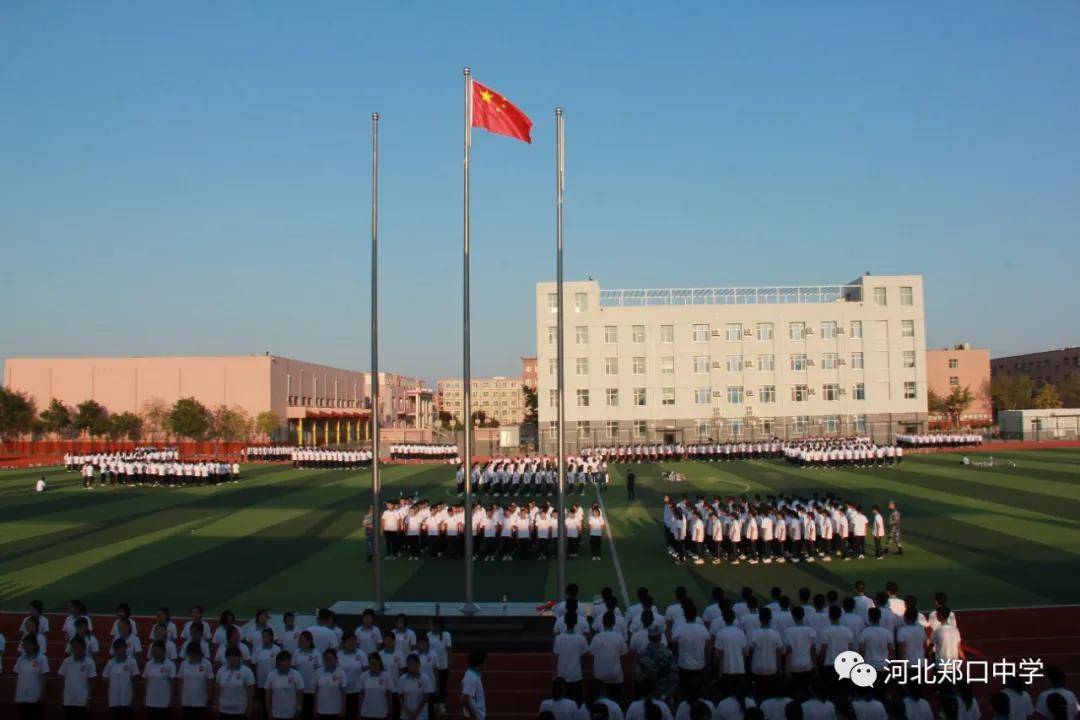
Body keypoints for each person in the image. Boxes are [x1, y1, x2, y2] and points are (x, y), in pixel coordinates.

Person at [589, 612, 629, 701]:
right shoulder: (619, 637)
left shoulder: (597, 637)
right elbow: (624, 654)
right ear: (614, 623)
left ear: (603, 622)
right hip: (615, 676)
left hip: (599, 675)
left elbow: (591, 654)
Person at [59, 635, 97, 720]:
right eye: (73, 646)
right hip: (68, 701)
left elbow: (92, 681)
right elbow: (62, 678)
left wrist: (90, 698)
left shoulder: (89, 662)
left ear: (83, 647)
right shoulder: (66, 661)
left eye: (77, 646)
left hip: (82, 701)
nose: (74, 649)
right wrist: (62, 697)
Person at [554, 613, 590, 703]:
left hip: (562, 674)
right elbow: (584, 658)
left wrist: (554, 673)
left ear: (565, 622)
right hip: (576, 675)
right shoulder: (581, 638)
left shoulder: (558, 639)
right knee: (576, 702)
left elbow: (555, 657)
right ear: (576, 622)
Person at [215, 645, 256, 720]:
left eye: (234, 656)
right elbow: (217, 690)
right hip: (223, 709)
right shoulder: (221, 671)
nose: (232, 659)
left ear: (239, 657)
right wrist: (217, 706)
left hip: (240, 711)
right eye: (229, 657)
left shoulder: (247, 671)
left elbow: (250, 692)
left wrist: (249, 707)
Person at [104, 637, 140, 720]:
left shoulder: (132, 662)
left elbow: (135, 681)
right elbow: (106, 681)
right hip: (113, 701)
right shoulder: (110, 663)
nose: (119, 651)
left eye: (121, 648)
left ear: (125, 648)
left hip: (127, 700)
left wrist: (134, 698)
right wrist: (107, 700)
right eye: (116, 648)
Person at [14, 635, 49, 720]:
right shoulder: (21, 659)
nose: (24, 646)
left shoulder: (42, 658)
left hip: (35, 696)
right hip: (22, 695)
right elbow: (17, 675)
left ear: (33, 644)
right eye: (23, 644)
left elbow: (44, 676)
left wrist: (42, 693)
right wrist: (16, 692)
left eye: (26, 644)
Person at [144, 640, 179, 720]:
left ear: (163, 651)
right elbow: (146, 682)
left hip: (165, 702)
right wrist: (145, 698)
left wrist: (172, 698)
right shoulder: (149, 664)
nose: (155, 653)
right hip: (151, 701)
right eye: (153, 651)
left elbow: (172, 683)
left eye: (157, 651)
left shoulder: (170, 664)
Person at [267, 652, 306, 720]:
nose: (286, 663)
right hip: (276, 713)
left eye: (288, 661)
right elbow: (268, 694)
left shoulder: (295, 674)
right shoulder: (271, 675)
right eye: (284, 661)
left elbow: (300, 692)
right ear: (278, 662)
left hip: (291, 713)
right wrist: (269, 711)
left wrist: (299, 708)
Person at [397, 653, 434, 720]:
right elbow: (400, 696)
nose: (412, 666)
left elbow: (425, 697)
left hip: (422, 715)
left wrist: (416, 712)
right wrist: (407, 712)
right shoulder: (402, 679)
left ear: (418, 664)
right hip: (406, 715)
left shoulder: (425, 678)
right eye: (410, 664)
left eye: (414, 664)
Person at [359, 653, 395, 720]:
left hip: (382, 713)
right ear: (369, 664)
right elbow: (361, 696)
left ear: (380, 663)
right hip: (366, 713)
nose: (374, 665)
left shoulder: (387, 676)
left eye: (376, 663)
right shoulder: (363, 676)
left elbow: (389, 696)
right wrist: (359, 713)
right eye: (372, 663)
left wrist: (390, 712)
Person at [315, 649, 348, 720]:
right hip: (321, 709)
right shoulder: (318, 672)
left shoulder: (340, 672)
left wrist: (343, 709)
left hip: (336, 710)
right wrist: (314, 707)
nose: (328, 661)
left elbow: (343, 692)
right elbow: (316, 692)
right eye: (326, 659)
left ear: (335, 659)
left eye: (330, 659)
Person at [460, 651, 487, 720]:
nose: (486, 664)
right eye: (485, 661)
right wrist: (474, 716)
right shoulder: (472, 678)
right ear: (481, 663)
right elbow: (464, 699)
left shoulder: (474, 674)